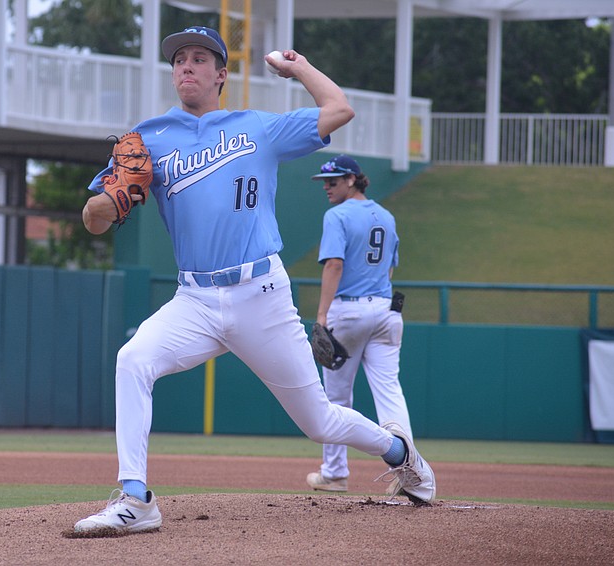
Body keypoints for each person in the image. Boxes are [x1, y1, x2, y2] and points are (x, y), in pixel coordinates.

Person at [75, 26, 435, 535]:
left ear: (221, 75)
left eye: (200, 58)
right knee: (132, 360)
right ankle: (135, 499)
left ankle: (402, 453)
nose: (186, 66)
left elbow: (339, 109)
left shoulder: (257, 127)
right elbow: (94, 221)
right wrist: (108, 201)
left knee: (320, 422)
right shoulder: (146, 138)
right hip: (194, 299)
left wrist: (298, 67)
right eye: (179, 59)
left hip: (260, 295)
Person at [304, 154, 416, 494]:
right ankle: (410, 473)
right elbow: (390, 268)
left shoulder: (337, 215)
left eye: (333, 180)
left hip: (349, 311)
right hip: (385, 311)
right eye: (325, 181)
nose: (327, 186)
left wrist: (322, 316)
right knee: (390, 392)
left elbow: (334, 265)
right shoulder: (386, 215)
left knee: (337, 399)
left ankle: (335, 472)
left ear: (352, 179)